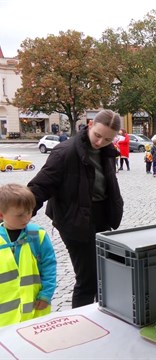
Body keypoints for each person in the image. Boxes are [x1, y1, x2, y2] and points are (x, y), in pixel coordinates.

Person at [27, 109, 124, 308]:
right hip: (74, 222)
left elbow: (108, 185)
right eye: (97, 135)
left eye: (107, 139)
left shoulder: (108, 152)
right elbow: (40, 187)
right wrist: (17, 214)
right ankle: (81, 325)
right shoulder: (65, 152)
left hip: (101, 217)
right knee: (87, 280)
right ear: (89, 125)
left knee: (104, 276)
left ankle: (102, 317)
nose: (100, 142)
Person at [0, 184, 57, 326]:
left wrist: (46, 295)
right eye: (20, 215)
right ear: (2, 215)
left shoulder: (37, 235)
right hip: (5, 319)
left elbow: (49, 266)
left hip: (33, 311)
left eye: (29, 212)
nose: (26, 218)